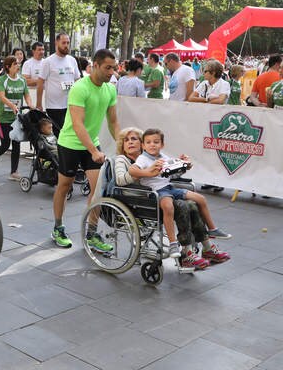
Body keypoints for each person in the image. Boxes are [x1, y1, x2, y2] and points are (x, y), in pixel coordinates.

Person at [113, 128, 230, 270]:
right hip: (144, 200)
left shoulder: (158, 156)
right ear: (144, 144)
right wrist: (148, 172)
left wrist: (182, 166)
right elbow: (120, 180)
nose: (130, 142)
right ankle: (186, 254)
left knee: (193, 204)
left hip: (165, 190)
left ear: (140, 143)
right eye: (127, 140)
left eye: (134, 139)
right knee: (183, 206)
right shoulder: (127, 159)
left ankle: (207, 246)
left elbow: (169, 175)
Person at [51, 49, 120, 250]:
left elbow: (113, 122)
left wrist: (124, 145)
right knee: (64, 186)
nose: (111, 72)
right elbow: (78, 125)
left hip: (92, 143)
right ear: (95, 65)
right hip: (70, 143)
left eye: (113, 68)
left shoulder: (110, 89)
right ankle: (58, 227)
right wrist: (94, 151)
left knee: (97, 189)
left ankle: (91, 233)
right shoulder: (80, 88)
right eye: (107, 68)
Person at [0, 56, 33, 180]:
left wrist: (30, 104)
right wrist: (12, 105)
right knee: (5, 145)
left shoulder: (22, 80)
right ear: (8, 67)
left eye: (18, 64)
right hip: (3, 119)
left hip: (16, 118)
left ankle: (14, 172)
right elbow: (2, 96)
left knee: (16, 144)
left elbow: (27, 95)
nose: (18, 66)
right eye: (15, 64)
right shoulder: (3, 80)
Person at [37, 33, 81, 137]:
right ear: (57, 43)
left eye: (68, 43)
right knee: (59, 135)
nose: (66, 45)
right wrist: (39, 103)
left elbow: (78, 80)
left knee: (70, 134)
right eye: (63, 43)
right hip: (54, 106)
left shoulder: (72, 60)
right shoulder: (48, 61)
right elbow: (40, 82)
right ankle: (59, 153)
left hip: (70, 104)